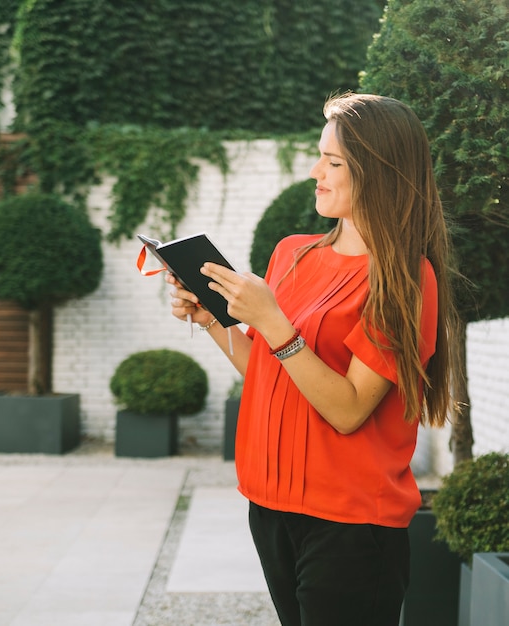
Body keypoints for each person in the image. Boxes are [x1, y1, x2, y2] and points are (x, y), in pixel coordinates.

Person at [166, 92, 459, 626]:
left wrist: (275, 322)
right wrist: (211, 319)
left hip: (349, 523)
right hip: (271, 506)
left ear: (379, 172)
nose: (314, 171)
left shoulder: (406, 278)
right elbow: (271, 374)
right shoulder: (292, 253)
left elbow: (348, 409)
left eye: (333, 161)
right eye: (317, 155)